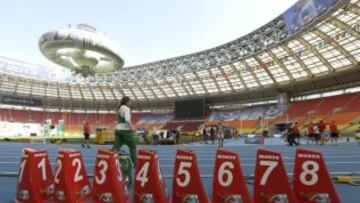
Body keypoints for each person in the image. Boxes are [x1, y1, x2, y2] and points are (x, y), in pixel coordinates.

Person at [112, 96, 137, 166]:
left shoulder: (119, 108)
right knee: (133, 147)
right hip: (125, 131)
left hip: (117, 130)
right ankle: (136, 164)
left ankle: (110, 162)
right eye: (130, 101)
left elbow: (117, 119)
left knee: (116, 148)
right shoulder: (127, 108)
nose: (131, 103)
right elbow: (127, 120)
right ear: (127, 102)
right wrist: (132, 127)